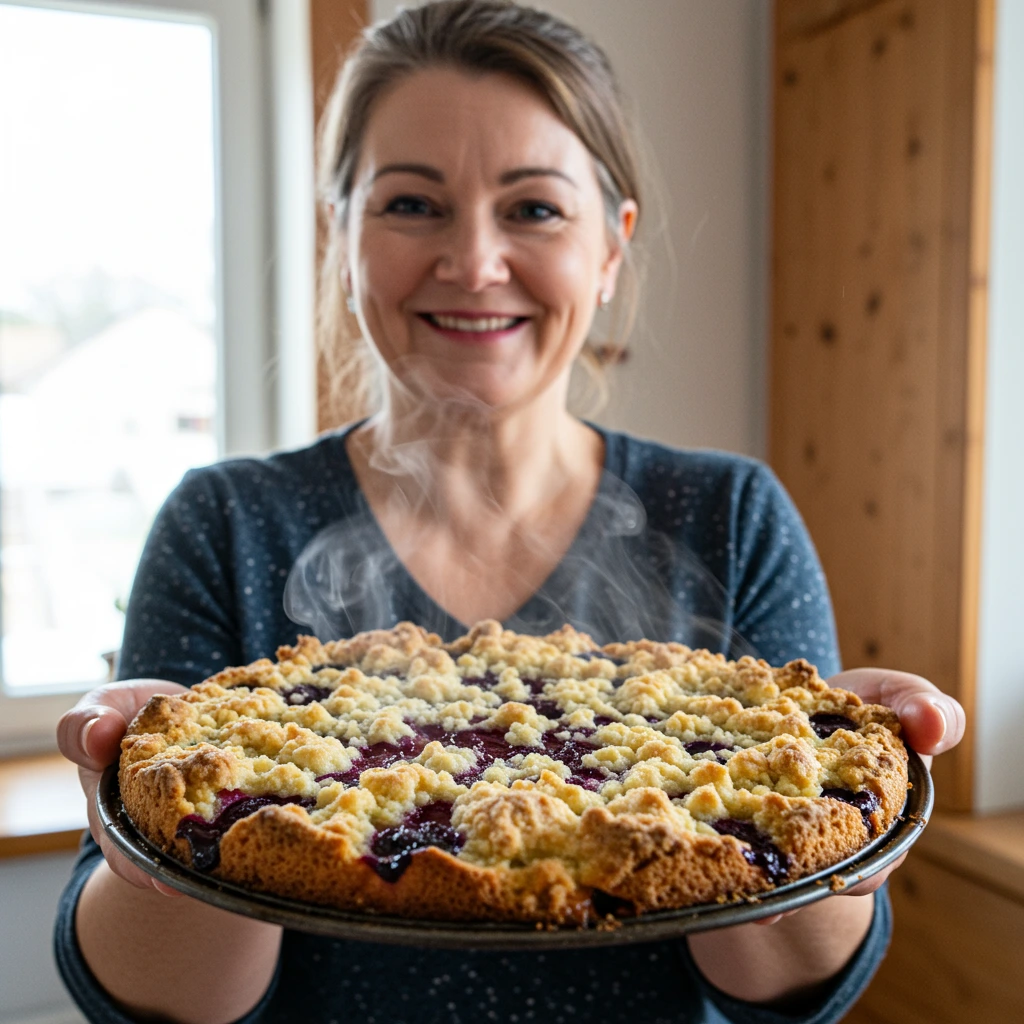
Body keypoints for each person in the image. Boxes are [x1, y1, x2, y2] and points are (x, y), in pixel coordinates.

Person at [54, 3, 965, 1022]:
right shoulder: (225, 523)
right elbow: (160, 1002)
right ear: (340, 234)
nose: (474, 262)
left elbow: (787, 989)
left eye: (533, 208)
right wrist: (168, 827)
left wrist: (815, 789)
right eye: (412, 204)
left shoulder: (730, 514)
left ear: (611, 247)